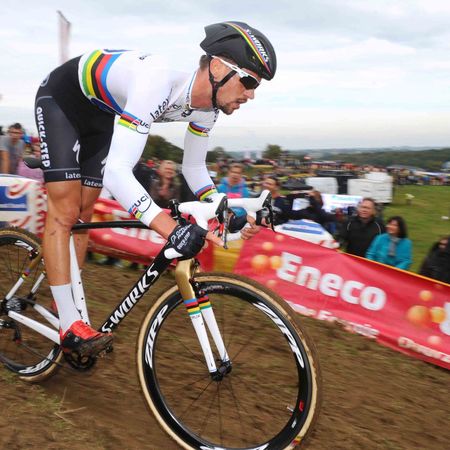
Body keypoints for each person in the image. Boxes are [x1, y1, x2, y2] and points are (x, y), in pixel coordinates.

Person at [34, 21, 276, 357]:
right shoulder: (159, 81)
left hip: (102, 114)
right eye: (249, 81)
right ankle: (68, 323)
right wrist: (170, 229)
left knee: (83, 215)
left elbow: (194, 169)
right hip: (63, 100)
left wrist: (226, 209)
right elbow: (117, 173)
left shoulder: (208, 109)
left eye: (256, 86)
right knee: (64, 212)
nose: (251, 94)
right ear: (219, 68)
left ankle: (64, 300)